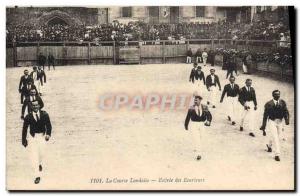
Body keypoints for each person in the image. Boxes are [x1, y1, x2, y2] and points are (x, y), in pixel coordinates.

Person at [22, 101, 52, 184]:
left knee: (41, 154)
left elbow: (49, 125)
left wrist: (48, 134)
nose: (35, 107)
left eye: (36, 105)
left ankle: (39, 163)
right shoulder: (28, 117)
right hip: (33, 138)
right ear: (31, 107)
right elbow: (24, 129)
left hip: (42, 137)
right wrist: (24, 140)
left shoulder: (44, 114)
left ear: (39, 106)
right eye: (33, 105)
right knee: (34, 156)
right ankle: (37, 175)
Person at [260, 90, 289, 162]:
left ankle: (269, 145)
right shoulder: (268, 104)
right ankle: (277, 154)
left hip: (280, 122)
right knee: (276, 138)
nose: (278, 96)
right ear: (273, 95)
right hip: (272, 122)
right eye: (276, 95)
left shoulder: (282, 102)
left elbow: (286, 111)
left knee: (277, 136)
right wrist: (263, 126)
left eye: (278, 94)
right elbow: (265, 116)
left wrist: (286, 119)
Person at [184, 96, 212, 161]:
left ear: (200, 100)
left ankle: (197, 147)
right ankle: (198, 154)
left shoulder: (205, 107)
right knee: (196, 138)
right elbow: (187, 117)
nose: (195, 101)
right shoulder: (191, 108)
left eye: (196, 100)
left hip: (202, 124)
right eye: (195, 100)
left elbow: (209, 115)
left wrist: (209, 121)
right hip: (194, 124)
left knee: (202, 137)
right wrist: (186, 125)